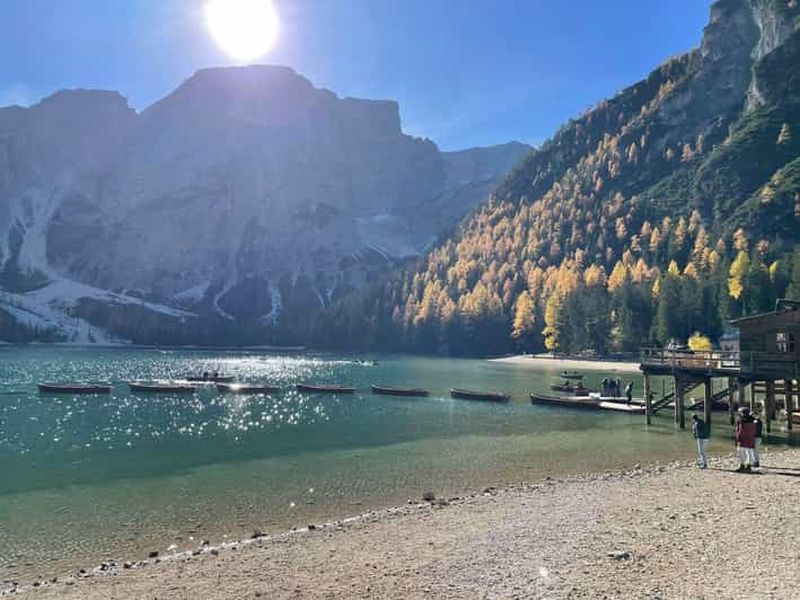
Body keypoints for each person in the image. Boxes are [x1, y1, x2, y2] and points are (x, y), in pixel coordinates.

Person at [734, 407, 756, 472]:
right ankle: (749, 466)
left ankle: (742, 465)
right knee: (749, 452)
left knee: (741, 452)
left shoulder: (741, 421)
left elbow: (740, 431)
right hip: (751, 438)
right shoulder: (753, 420)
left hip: (743, 439)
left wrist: (737, 438)